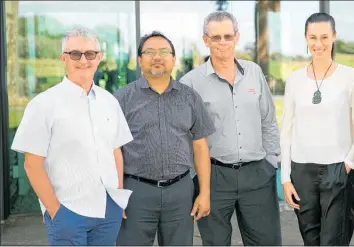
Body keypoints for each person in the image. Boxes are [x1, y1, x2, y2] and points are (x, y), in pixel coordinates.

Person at [10, 27, 133, 245]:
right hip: (68, 211)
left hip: (108, 210)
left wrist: (119, 197)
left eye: (90, 54)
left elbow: (116, 152)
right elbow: (32, 164)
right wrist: (55, 210)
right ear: (63, 58)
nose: (83, 60)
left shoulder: (109, 102)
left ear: (99, 58)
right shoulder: (43, 105)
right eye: (75, 54)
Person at [179, 11, 281, 246]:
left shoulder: (254, 72)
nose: (222, 43)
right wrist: (197, 179)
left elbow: (268, 120)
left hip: (257, 174)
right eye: (216, 37)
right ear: (206, 40)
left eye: (227, 36)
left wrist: (271, 163)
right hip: (214, 177)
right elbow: (185, 138)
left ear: (236, 37)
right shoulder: (191, 83)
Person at [115, 31, 215, 246]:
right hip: (136, 192)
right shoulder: (122, 98)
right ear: (140, 60)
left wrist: (204, 192)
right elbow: (112, 150)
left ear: (173, 59)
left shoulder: (189, 97)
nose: (157, 57)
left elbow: (200, 146)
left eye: (163, 52)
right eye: (149, 52)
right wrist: (117, 195)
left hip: (180, 192)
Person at [280, 12, 354, 245]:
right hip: (302, 171)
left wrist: (348, 164)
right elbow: (286, 129)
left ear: (334, 37)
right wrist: (285, 177)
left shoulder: (351, 77)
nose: (318, 44)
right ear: (306, 39)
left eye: (324, 37)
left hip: (337, 169)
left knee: (334, 241)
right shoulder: (294, 80)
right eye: (313, 37)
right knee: (311, 240)